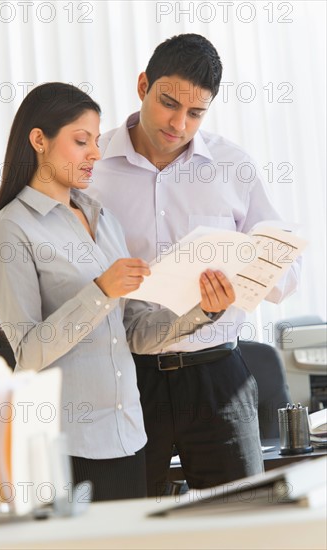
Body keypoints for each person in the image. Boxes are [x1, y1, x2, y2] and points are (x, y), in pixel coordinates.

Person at [0, 82, 236, 502]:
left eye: (96, 141)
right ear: (39, 140)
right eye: (81, 141)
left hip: (129, 435)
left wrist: (201, 312)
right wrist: (100, 291)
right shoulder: (10, 231)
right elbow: (27, 352)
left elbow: (132, 330)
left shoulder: (103, 218)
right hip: (68, 447)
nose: (95, 153)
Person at [87, 34, 301, 496]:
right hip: (128, 377)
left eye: (196, 113)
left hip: (217, 376)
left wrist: (249, 274)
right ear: (142, 84)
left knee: (241, 522)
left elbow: (287, 272)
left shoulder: (232, 166)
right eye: (168, 103)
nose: (178, 123)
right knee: (128, 523)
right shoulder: (92, 167)